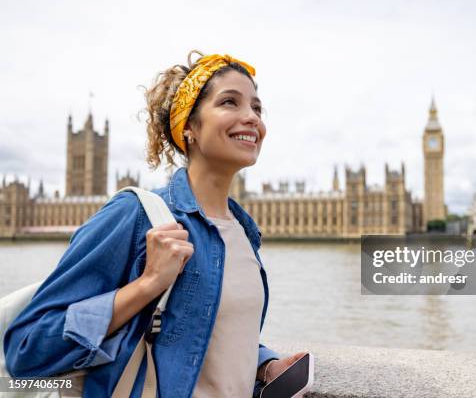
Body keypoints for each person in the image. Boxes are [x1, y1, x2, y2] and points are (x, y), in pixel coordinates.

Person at [4, 51, 307, 397]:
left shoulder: (243, 230)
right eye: (229, 102)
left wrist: (266, 364)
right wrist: (148, 284)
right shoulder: (136, 214)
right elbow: (26, 350)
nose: (250, 117)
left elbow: (205, 331)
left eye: (256, 107)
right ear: (189, 127)